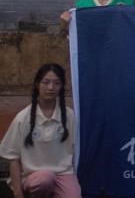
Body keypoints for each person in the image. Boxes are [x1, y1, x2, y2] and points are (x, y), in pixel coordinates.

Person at [0, 63, 81, 198]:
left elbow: (77, 151)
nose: (51, 87)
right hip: (33, 176)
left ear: (61, 86)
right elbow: (13, 157)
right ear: (37, 84)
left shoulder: (70, 116)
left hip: (63, 174)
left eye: (56, 83)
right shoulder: (23, 118)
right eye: (46, 82)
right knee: (45, 179)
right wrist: (18, 193)